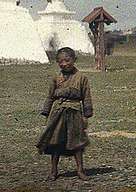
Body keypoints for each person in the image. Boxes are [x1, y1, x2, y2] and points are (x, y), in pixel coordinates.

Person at [36, 47, 93, 180]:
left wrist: (86, 114)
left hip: (75, 113)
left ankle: (80, 170)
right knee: (55, 143)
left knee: (77, 143)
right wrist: (46, 113)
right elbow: (50, 96)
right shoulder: (56, 78)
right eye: (60, 61)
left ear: (74, 60)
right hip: (58, 112)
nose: (64, 64)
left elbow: (86, 97)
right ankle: (54, 171)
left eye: (67, 60)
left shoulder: (82, 78)